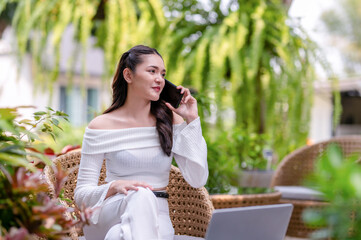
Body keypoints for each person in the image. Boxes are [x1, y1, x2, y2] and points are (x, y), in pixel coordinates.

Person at [74, 45, 208, 240]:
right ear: (128, 75)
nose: (159, 79)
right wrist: (115, 186)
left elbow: (197, 179)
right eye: (152, 71)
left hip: (158, 215)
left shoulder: (169, 121)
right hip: (111, 210)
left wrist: (191, 122)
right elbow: (81, 195)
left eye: (163, 74)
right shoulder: (101, 125)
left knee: (116, 236)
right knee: (141, 194)